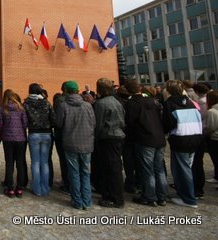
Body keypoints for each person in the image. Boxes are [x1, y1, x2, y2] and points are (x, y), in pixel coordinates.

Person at [123, 79, 167, 207]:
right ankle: (162, 196)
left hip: (145, 138)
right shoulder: (153, 101)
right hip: (159, 137)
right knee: (159, 169)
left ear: (128, 90)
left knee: (147, 170)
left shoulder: (132, 103)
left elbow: (129, 122)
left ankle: (150, 196)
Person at [55, 81, 95, 210]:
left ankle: (77, 201)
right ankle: (87, 201)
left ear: (66, 91)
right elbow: (93, 123)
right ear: (77, 90)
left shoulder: (63, 106)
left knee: (74, 172)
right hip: (86, 143)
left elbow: (59, 124)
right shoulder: (87, 105)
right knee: (85, 172)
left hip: (70, 142)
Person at [163, 80, 203, 208]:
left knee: (182, 170)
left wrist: (165, 132)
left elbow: (168, 123)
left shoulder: (169, 103)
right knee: (187, 168)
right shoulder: (191, 102)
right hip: (195, 136)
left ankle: (189, 199)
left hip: (180, 138)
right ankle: (185, 194)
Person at [94, 78, 126, 208]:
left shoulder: (101, 104)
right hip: (118, 136)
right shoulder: (117, 101)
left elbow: (98, 123)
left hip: (108, 137)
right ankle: (113, 195)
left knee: (111, 168)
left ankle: (115, 198)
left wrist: (95, 137)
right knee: (115, 167)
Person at [24, 83, 55, 197]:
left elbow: (24, 119)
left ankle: (36, 188)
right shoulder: (46, 102)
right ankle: (45, 188)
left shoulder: (26, 103)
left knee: (35, 162)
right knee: (45, 162)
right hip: (46, 133)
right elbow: (53, 118)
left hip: (34, 133)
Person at [0, 89, 28, 198]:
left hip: (7, 138)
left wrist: (4, 131)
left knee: (9, 163)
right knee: (20, 163)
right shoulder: (20, 108)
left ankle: (10, 188)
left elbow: (0, 124)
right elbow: (25, 123)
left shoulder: (2, 109)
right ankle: (19, 188)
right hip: (20, 138)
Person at [191, 82, 209, 199]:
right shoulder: (203, 101)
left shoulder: (201, 103)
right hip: (201, 132)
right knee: (198, 163)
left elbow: (200, 117)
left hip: (201, 131)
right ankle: (198, 187)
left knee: (196, 163)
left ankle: (197, 188)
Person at [205, 90, 218, 184]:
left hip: (215, 138)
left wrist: (205, 133)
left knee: (216, 159)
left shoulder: (212, 111)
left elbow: (211, 127)